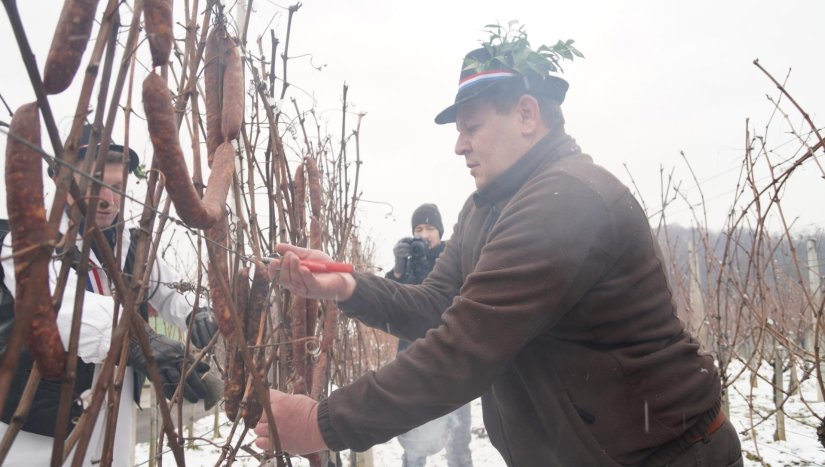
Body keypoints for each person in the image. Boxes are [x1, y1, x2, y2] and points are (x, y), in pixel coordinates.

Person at [255, 29, 744, 467]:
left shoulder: (567, 198)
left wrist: (323, 423)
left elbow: (464, 349)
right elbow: (434, 306)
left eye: (472, 127)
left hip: (669, 456)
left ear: (527, 114)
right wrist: (346, 285)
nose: (459, 146)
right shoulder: (483, 209)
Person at [0, 124, 217, 466]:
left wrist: (197, 312)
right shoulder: (27, 239)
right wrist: (136, 339)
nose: (108, 199)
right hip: (38, 424)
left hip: (113, 413)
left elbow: (172, 290)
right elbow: (58, 308)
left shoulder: (132, 245)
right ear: (61, 181)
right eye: (95, 185)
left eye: (117, 188)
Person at [385, 203, 473, 467]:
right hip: (413, 359)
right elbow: (393, 308)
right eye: (418, 228)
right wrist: (398, 272)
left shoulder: (453, 258)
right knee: (414, 442)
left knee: (458, 439)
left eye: (430, 228)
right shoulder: (407, 264)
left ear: (440, 232)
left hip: (452, 359)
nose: (424, 234)